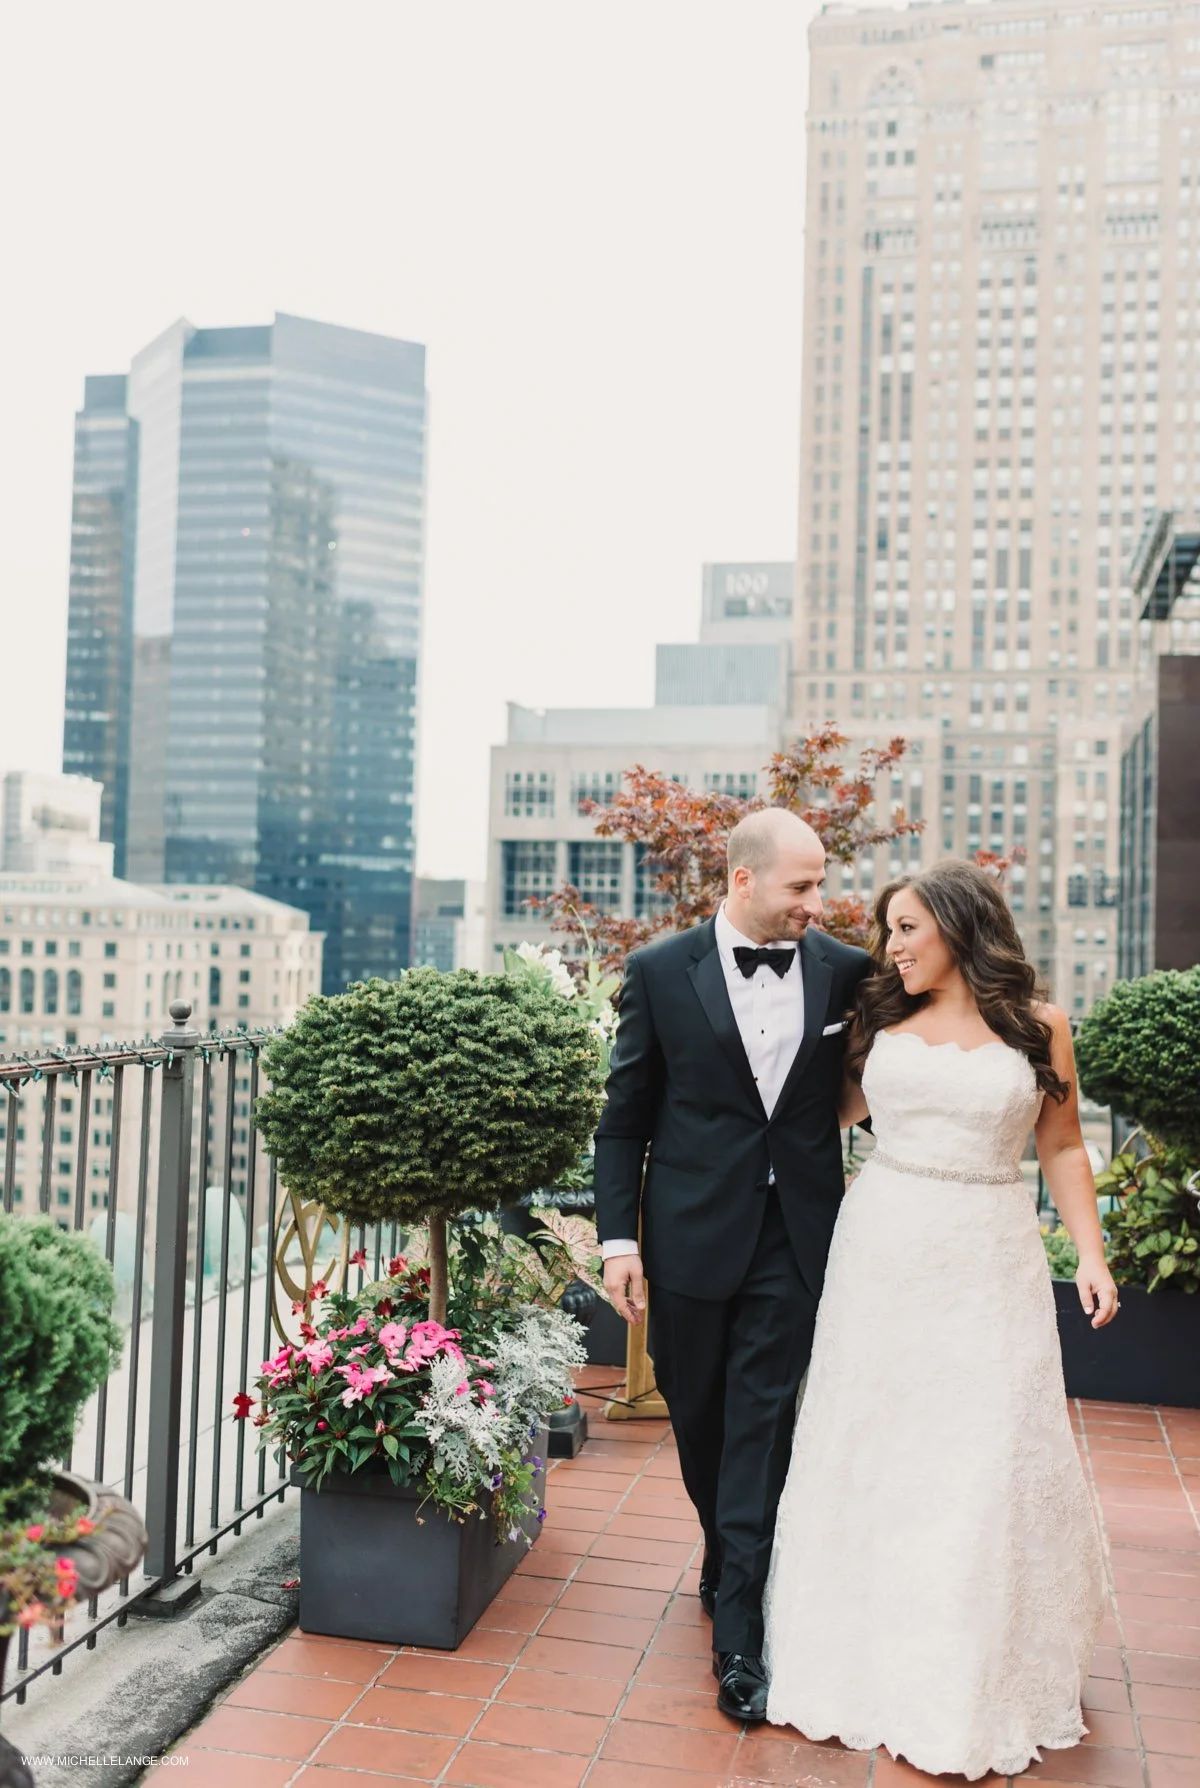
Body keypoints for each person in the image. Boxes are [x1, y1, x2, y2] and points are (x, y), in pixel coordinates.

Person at [763, 859, 1114, 1781]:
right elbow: (820, 1119)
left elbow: (1064, 1145)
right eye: (889, 930)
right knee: (874, 1440)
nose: (894, 947)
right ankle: (859, 1647)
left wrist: (1092, 1253)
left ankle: (972, 1666)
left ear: (961, 927)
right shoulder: (879, 1021)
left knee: (983, 1449)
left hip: (990, 1255)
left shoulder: (1040, 1028)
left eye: (909, 927)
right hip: (881, 1248)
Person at [594, 807, 873, 1723]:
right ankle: (727, 1545)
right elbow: (625, 1116)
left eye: (819, 883)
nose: (817, 902)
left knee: (762, 1423)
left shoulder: (845, 973)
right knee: (701, 1412)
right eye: (802, 885)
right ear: (744, 880)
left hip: (796, 1235)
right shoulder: (657, 971)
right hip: (686, 1236)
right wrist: (619, 1241)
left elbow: (881, 1081)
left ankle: (743, 1640)